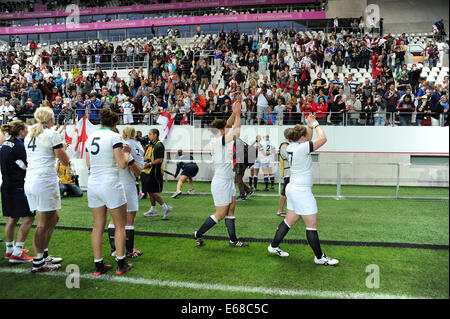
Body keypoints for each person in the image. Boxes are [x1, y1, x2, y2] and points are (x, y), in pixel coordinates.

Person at [268, 115, 339, 266]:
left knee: (290, 220)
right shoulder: (302, 147)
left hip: (293, 188)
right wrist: (316, 124)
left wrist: (309, 126)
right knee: (311, 225)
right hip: (301, 191)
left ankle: (273, 246)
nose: (308, 137)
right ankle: (319, 257)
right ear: (302, 138)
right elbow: (323, 139)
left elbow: (308, 139)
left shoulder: (293, 146)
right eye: (306, 135)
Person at [193, 99, 248, 248]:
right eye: (225, 127)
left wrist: (234, 111)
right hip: (221, 182)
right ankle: (198, 234)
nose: (227, 127)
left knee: (231, 209)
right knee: (221, 213)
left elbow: (228, 125)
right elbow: (236, 131)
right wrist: (237, 115)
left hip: (227, 180)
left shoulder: (219, 137)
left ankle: (233, 240)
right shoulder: (218, 141)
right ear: (221, 130)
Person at [85, 109, 133, 276]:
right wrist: (126, 153)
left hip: (93, 184)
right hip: (110, 183)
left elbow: (89, 164)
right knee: (120, 225)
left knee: (98, 225)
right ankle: (121, 263)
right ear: (115, 123)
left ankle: (98, 265)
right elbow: (122, 164)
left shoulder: (90, 137)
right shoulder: (114, 137)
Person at [24, 107, 68, 273]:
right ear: (50, 119)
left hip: (31, 180)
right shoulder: (51, 134)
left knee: (54, 217)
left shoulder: (30, 134)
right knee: (42, 223)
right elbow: (64, 161)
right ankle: (38, 262)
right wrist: (64, 147)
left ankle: (43, 254)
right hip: (44, 181)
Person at [1, 121, 35, 263]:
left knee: (12, 218)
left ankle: (9, 249)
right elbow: (26, 166)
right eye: (26, 129)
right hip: (18, 186)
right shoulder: (20, 146)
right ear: (21, 131)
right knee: (28, 218)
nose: (28, 131)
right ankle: (18, 252)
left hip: (6, 184)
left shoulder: (5, 145)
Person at [108, 126, 144, 259]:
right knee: (129, 220)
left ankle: (114, 249)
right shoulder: (135, 145)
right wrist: (138, 172)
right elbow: (132, 163)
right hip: (128, 183)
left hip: (116, 181)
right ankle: (129, 251)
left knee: (114, 218)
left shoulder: (120, 144)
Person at [142, 129, 172, 220]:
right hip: (148, 171)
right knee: (149, 190)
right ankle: (153, 209)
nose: (148, 135)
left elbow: (160, 159)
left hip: (155, 171)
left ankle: (165, 207)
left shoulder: (159, 145)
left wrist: (149, 164)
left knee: (153, 192)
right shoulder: (150, 145)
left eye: (150, 134)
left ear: (155, 135)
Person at [276, 128, 291, 218]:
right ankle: (280, 210)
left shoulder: (289, 145)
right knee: (285, 191)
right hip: (288, 172)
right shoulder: (284, 145)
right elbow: (286, 156)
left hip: (291, 171)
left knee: (288, 191)